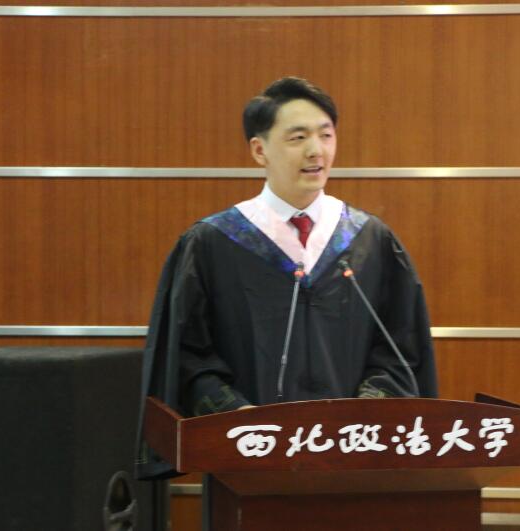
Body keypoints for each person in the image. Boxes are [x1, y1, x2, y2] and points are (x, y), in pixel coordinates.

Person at [136, 77, 437, 480]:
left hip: (353, 457)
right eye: (298, 137)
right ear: (259, 150)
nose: (317, 151)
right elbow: (187, 355)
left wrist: (364, 411)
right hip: (249, 459)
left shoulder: (369, 240)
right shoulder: (214, 243)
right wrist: (237, 415)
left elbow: (401, 347)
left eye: (326, 135)